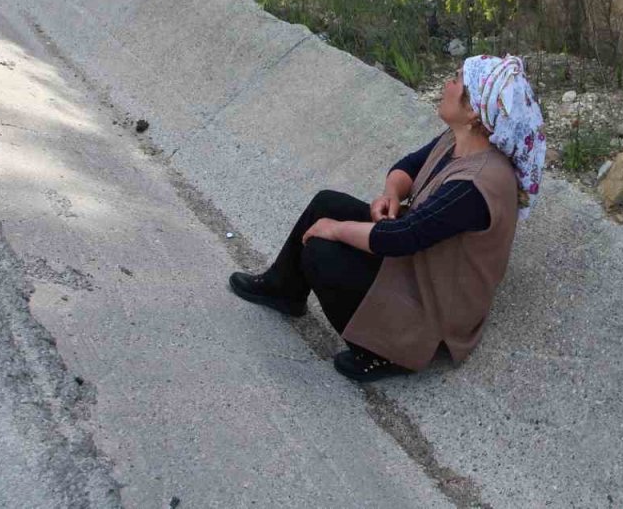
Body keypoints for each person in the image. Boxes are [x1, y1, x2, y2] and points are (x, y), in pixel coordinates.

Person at [228, 54, 546, 382]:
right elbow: (409, 166)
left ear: (474, 111)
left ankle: (385, 353)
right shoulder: (460, 138)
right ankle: (284, 289)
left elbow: (400, 238)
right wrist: (392, 193)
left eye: (456, 80)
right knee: (326, 202)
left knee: (320, 252)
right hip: (419, 265)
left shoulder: (478, 184)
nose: (447, 84)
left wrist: (336, 230)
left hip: (431, 304)